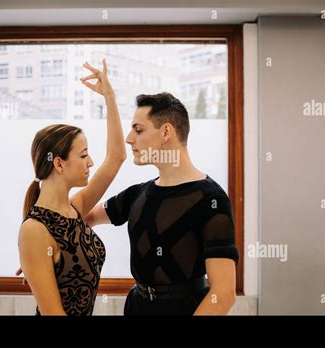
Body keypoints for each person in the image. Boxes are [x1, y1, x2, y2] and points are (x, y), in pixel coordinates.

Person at [80, 92, 239, 315]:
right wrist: (41, 247)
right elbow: (83, 217)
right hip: (136, 308)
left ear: (166, 132)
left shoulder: (212, 200)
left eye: (138, 130)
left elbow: (222, 294)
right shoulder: (139, 193)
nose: (129, 138)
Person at [18, 59, 126, 315]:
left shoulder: (75, 209)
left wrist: (109, 96)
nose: (91, 162)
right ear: (59, 163)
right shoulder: (34, 230)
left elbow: (116, 157)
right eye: (83, 155)